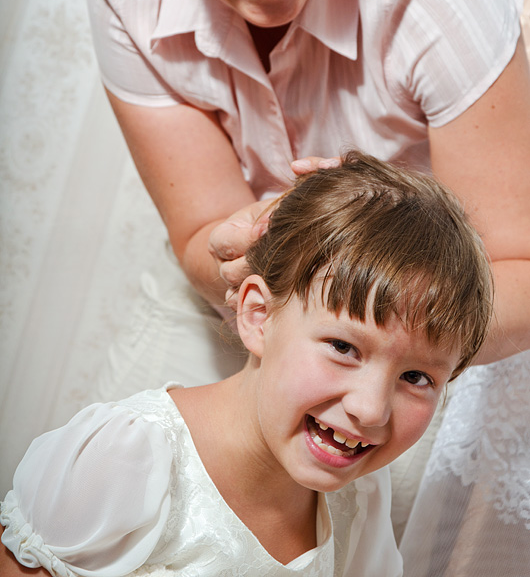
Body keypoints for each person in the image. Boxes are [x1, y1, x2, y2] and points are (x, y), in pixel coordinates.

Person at [86, 0, 530, 370]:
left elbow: (519, 273)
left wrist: (358, 290)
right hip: (242, 303)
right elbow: (198, 232)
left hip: (444, 316)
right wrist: (250, 247)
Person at [0, 152, 493, 577]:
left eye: (416, 377)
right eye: (344, 347)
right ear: (258, 316)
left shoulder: (359, 500)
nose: (370, 409)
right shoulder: (123, 459)